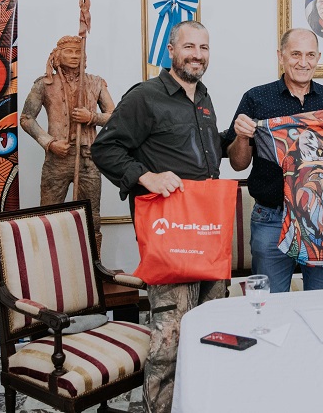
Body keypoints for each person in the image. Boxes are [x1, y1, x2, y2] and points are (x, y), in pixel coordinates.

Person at [91, 21, 225, 411]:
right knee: (170, 337)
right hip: (170, 232)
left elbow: (203, 154)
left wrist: (236, 136)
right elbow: (105, 149)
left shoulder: (204, 98)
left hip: (207, 229)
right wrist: (146, 176)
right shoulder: (145, 96)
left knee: (209, 329)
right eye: (189, 46)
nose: (197, 55)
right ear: (171, 50)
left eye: (203, 47)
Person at [225, 28, 323, 292]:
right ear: (281, 56)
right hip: (272, 218)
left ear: (318, 58)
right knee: (270, 304)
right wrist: (242, 136)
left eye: (310, 55)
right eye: (295, 54)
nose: (303, 62)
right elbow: (238, 164)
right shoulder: (256, 98)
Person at [20, 35, 114, 248]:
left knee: (91, 216)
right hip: (57, 160)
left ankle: (92, 263)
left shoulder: (95, 83)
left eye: (78, 52)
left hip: (88, 160)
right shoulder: (45, 84)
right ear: (57, 55)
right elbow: (26, 118)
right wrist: (49, 143)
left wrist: (92, 117)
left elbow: (114, 116)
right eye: (69, 52)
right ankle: (48, 259)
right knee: (48, 215)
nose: (74, 56)